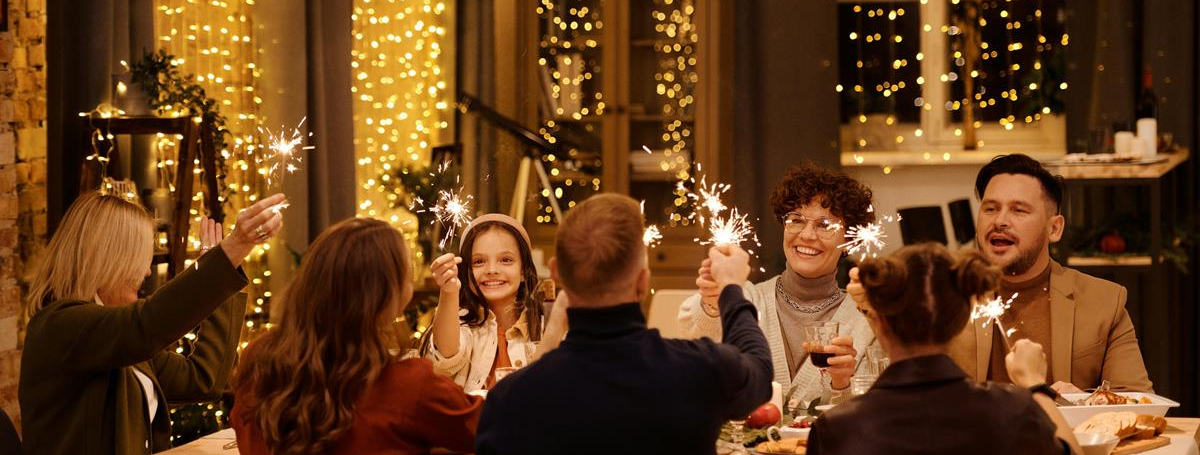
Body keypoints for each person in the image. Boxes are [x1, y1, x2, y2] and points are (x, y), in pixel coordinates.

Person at [476, 193, 773, 455]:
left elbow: (529, 386)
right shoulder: (698, 370)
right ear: (643, 282)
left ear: (556, 273)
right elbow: (759, 367)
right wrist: (732, 287)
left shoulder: (509, 399)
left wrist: (552, 333)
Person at [19, 192, 285, 455]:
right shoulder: (62, 326)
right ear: (108, 259)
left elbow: (203, 380)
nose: (147, 271)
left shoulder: (120, 337)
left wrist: (227, 271)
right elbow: (147, 323)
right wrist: (227, 256)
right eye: (141, 258)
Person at [232, 218, 483, 455]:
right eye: (407, 273)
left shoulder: (258, 359)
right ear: (384, 297)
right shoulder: (407, 384)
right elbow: (488, 430)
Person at [808, 243, 1081, 455]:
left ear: (878, 319)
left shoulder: (836, 428)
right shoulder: (1012, 410)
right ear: (962, 320)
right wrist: (1034, 384)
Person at [949, 154, 1152, 392]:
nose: (1000, 221)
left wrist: (1080, 403)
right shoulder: (945, 297)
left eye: (1019, 210)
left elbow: (1138, 403)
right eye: (990, 208)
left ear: (1054, 228)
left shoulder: (1104, 303)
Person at [678, 162, 877, 403]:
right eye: (796, 220)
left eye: (825, 225)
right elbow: (696, 337)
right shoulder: (747, 298)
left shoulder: (867, 320)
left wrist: (841, 383)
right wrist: (713, 302)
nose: (806, 235)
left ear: (850, 240)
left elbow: (870, 412)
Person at [423, 213, 568, 392]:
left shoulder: (545, 325)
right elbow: (446, 356)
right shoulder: (459, 324)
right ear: (466, 272)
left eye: (506, 260)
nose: (491, 270)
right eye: (479, 262)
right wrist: (449, 291)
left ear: (523, 270)